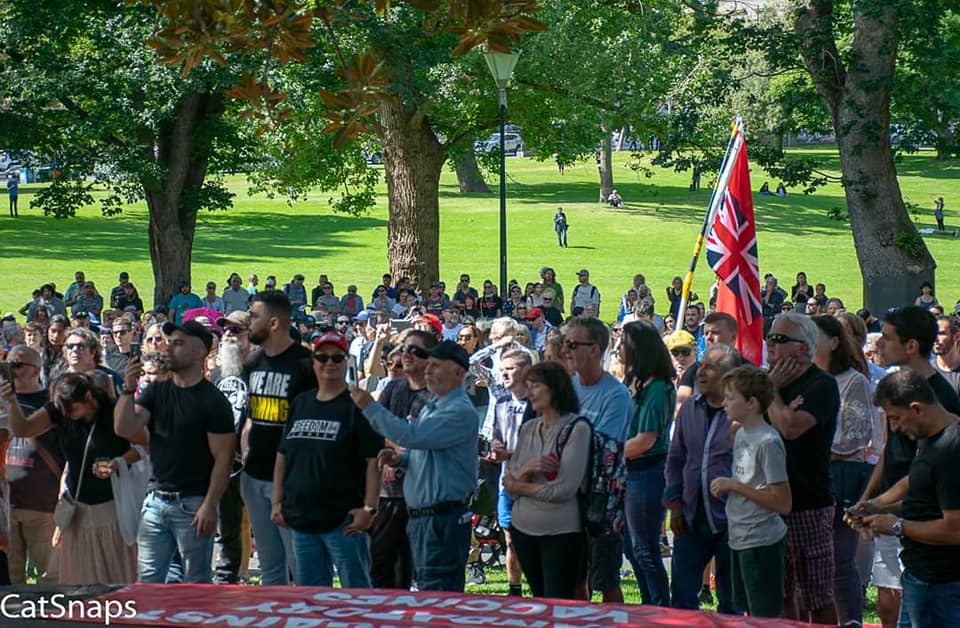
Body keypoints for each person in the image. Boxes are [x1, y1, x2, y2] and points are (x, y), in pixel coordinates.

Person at [853, 306, 960, 627]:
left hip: (940, 573)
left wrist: (893, 521)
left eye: (887, 338)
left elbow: (951, 523)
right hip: (918, 562)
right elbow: (908, 469)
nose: (896, 427)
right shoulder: (923, 426)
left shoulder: (945, 432)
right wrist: (873, 502)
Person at [351, 341, 478, 592]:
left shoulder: (458, 411)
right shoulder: (436, 406)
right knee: (428, 589)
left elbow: (414, 437)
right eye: (428, 364)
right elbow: (428, 452)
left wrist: (369, 406)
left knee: (438, 593)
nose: (428, 370)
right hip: (428, 518)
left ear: (458, 372)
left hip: (441, 519)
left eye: (436, 365)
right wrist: (401, 459)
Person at [115, 320, 235, 584]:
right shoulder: (156, 391)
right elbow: (124, 428)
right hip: (155, 500)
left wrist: (209, 505)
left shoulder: (213, 401)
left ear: (199, 351)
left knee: (195, 583)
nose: (168, 348)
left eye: (178, 343)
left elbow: (223, 459)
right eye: (169, 342)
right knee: (148, 581)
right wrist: (127, 389)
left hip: (193, 505)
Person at [6, 372, 141, 585]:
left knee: (114, 579)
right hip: (77, 512)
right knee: (79, 583)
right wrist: (12, 402)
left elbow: (144, 447)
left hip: (111, 510)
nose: (68, 416)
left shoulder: (113, 411)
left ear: (89, 397)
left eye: (73, 410)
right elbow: (24, 429)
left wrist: (118, 462)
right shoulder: (60, 410)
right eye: (63, 412)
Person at [271, 332, 383, 587]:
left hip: (344, 520)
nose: (329, 363)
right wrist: (277, 502)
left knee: (357, 594)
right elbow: (282, 455)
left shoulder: (357, 405)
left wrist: (369, 509)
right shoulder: (301, 402)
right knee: (310, 597)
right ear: (313, 363)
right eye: (322, 357)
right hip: (302, 519)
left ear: (346, 362)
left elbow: (373, 461)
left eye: (337, 358)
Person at [765, 312, 840, 624]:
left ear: (803, 348)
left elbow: (790, 427)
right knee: (779, 593)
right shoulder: (765, 380)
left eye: (779, 339)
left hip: (807, 502)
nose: (770, 343)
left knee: (817, 595)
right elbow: (737, 428)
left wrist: (769, 391)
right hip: (768, 502)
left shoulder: (821, 385)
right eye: (769, 336)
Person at [240, 291, 315, 585]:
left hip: (292, 480)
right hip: (254, 475)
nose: (248, 322)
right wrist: (246, 451)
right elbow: (251, 415)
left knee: (300, 563)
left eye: (254, 316)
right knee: (270, 565)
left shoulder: (306, 365)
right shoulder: (253, 363)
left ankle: (307, 610)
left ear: (273, 323)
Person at [502, 362, 590, 599]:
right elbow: (508, 482)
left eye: (536, 385)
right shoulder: (528, 428)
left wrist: (518, 485)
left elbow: (563, 490)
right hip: (522, 531)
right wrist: (527, 470)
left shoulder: (577, 428)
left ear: (555, 388)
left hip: (560, 533)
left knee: (557, 601)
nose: (529, 392)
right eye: (528, 385)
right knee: (539, 599)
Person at [664, 344, 740, 613]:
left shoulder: (742, 413)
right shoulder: (689, 408)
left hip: (732, 520)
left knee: (732, 603)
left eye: (710, 367)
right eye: (701, 365)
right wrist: (675, 505)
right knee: (682, 599)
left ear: (729, 376)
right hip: (691, 518)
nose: (701, 372)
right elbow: (676, 458)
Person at [711, 365, 791, 618]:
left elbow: (783, 502)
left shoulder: (768, 442)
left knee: (764, 616)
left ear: (751, 403)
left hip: (761, 540)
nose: (724, 403)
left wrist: (734, 486)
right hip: (740, 536)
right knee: (746, 610)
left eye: (730, 398)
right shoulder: (741, 433)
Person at [811, 315, 875, 625]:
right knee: (809, 560)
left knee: (839, 559)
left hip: (841, 475)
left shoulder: (853, 381)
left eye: (814, 336)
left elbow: (856, 435)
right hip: (808, 477)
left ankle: (850, 620)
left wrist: (813, 451)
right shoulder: (806, 380)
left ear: (834, 342)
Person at [564, 316, 631, 603]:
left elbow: (602, 447)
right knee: (574, 578)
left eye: (573, 344)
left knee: (605, 581)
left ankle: (613, 622)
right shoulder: (568, 387)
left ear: (594, 349)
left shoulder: (617, 396)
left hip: (602, 503)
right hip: (568, 497)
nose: (566, 350)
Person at [368, 330, 437, 590]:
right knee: (381, 557)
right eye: (404, 350)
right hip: (390, 490)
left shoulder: (438, 395)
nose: (406, 356)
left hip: (424, 490)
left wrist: (399, 453)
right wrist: (391, 454)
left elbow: (430, 439)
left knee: (418, 562)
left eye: (414, 351)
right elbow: (377, 428)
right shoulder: (392, 388)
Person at [619, 321, 675, 606]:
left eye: (623, 343)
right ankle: (647, 604)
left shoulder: (658, 388)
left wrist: (606, 455)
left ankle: (659, 608)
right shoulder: (635, 382)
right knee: (631, 547)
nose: (618, 348)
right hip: (629, 471)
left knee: (644, 548)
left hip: (647, 471)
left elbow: (645, 440)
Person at [3, 346, 62, 584]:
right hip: (5, 507)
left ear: (36, 370)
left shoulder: (52, 404)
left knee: (53, 579)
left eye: (16, 365)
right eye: (6, 366)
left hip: (42, 507)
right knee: (10, 580)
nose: (10, 371)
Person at [486, 349, 534, 596]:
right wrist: (496, 446)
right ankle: (514, 589)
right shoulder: (502, 402)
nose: (504, 374)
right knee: (510, 538)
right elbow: (497, 433)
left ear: (527, 370)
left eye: (510, 369)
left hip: (534, 484)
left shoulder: (538, 403)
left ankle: (540, 585)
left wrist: (511, 454)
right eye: (502, 369)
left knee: (534, 538)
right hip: (507, 481)